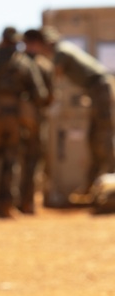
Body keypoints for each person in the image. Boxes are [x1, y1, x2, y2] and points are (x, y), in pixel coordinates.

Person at [22, 27, 115, 195]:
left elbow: (55, 75)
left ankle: (111, 182)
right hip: (95, 89)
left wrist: (52, 98)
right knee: (94, 138)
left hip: (100, 87)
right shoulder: (63, 50)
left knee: (104, 136)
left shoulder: (61, 52)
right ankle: (93, 187)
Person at [0, 27, 48, 217]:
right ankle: (6, 205)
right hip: (14, 117)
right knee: (10, 161)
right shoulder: (24, 62)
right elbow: (40, 94)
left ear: (1, 40)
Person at [18, 34, 54, 214]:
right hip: (36, 119)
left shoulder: (17, 62)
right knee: (32, 161)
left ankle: (13, 201)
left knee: (15, 159)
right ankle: (28, 202)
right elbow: (49, 96)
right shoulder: (44, 65)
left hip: (16, 119)